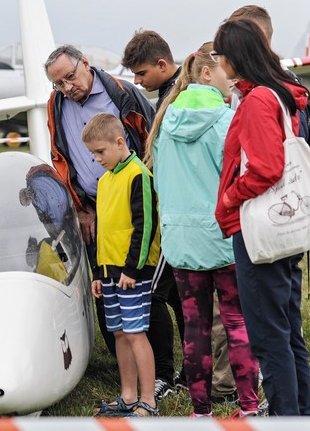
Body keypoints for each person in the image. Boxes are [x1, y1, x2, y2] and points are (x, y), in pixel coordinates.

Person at [147, 43, 259, 418]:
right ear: (208, 73)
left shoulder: (164, 122)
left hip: (181, 242)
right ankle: (249, 407)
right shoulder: (228, 121)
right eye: (228, 70)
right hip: (223, 238)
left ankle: (200, 413)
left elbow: (160, 182)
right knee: (236, 322)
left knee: (195, 330)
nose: (234, 79)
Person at [213, 18, 310, 416]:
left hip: (260, 231)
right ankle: (300, 414)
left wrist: (229, 200)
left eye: (221, 55)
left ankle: (286, 417)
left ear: (235, 57)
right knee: (288, 331)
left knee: (268, 336)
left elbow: (266, 168)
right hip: (284, 228)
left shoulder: (256, 101)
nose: (219, 64)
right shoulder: (278, 93)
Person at [44, 45, 161, 383]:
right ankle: (123, 371)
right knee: (107, 291)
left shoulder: (122, 92)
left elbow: (149, 139)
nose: (67, 87)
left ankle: (161, 371)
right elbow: (60, 155)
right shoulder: (57, 105)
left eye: (70, 77)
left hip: (134, 204)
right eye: (59, 84)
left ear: (85, 64)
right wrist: (81, 208)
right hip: (96, 210)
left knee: (149, 288)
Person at [121, 30, 187, 395]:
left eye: (142, 73)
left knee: (153, 294)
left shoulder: (179, 97)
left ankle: (164, 373)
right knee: (179, 295)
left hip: (176, 215)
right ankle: (189, 373)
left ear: (163, 65)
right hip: (174, 211)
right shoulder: (168, 92)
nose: (137, 81)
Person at [83, 113, 161, 417]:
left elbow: (146, 226)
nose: (96, 159)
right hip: (110, 272)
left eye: (100, 152)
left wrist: (132, 269)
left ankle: (148, 400)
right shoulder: (104, 182)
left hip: (133, 273)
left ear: (119, 142)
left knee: (135, 333)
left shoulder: (139, 175)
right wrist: (99, 273)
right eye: (93, 154)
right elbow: (102, 233)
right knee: (118, 333)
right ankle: (128, 395)